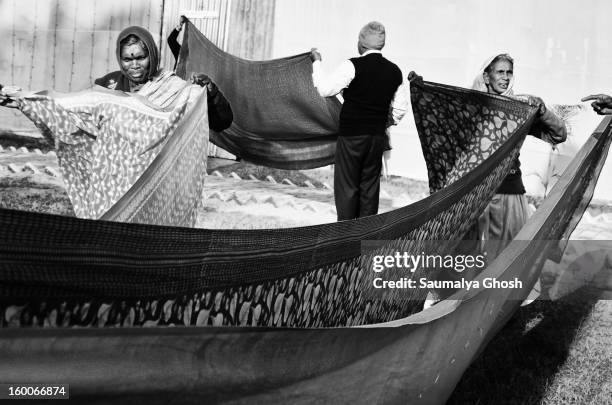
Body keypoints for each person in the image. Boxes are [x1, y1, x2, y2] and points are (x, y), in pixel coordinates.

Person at [473, 53, 567, 259]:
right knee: (474, 258)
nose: (506, 77)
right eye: (500, 72)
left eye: (509, 72)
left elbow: (558, 134)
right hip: (477, 194)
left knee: (509, 256)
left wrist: (542, 109)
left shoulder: (519, 109)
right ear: (487, 77)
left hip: (510, 191)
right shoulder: (473, 107)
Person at [310, 21, 407, 221]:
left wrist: (316, 62)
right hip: (376, 139)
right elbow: (399, 109)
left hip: (351, 137)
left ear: (361, 44)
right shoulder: (395, 71)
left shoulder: (352, 65)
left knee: (347, 189)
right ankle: (365, 244)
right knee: (369, 191)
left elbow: (325, 89)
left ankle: (345, 242)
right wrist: (381, 121)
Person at [95, 25, 233, 132]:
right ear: (120, 59)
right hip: (114, 165)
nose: (135, 65)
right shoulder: (108, 84)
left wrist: (212, 95)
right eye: (127, 59)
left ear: (153, 56)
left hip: (158, 164)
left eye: (141, 57)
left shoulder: (172, 88)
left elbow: (222, 122)